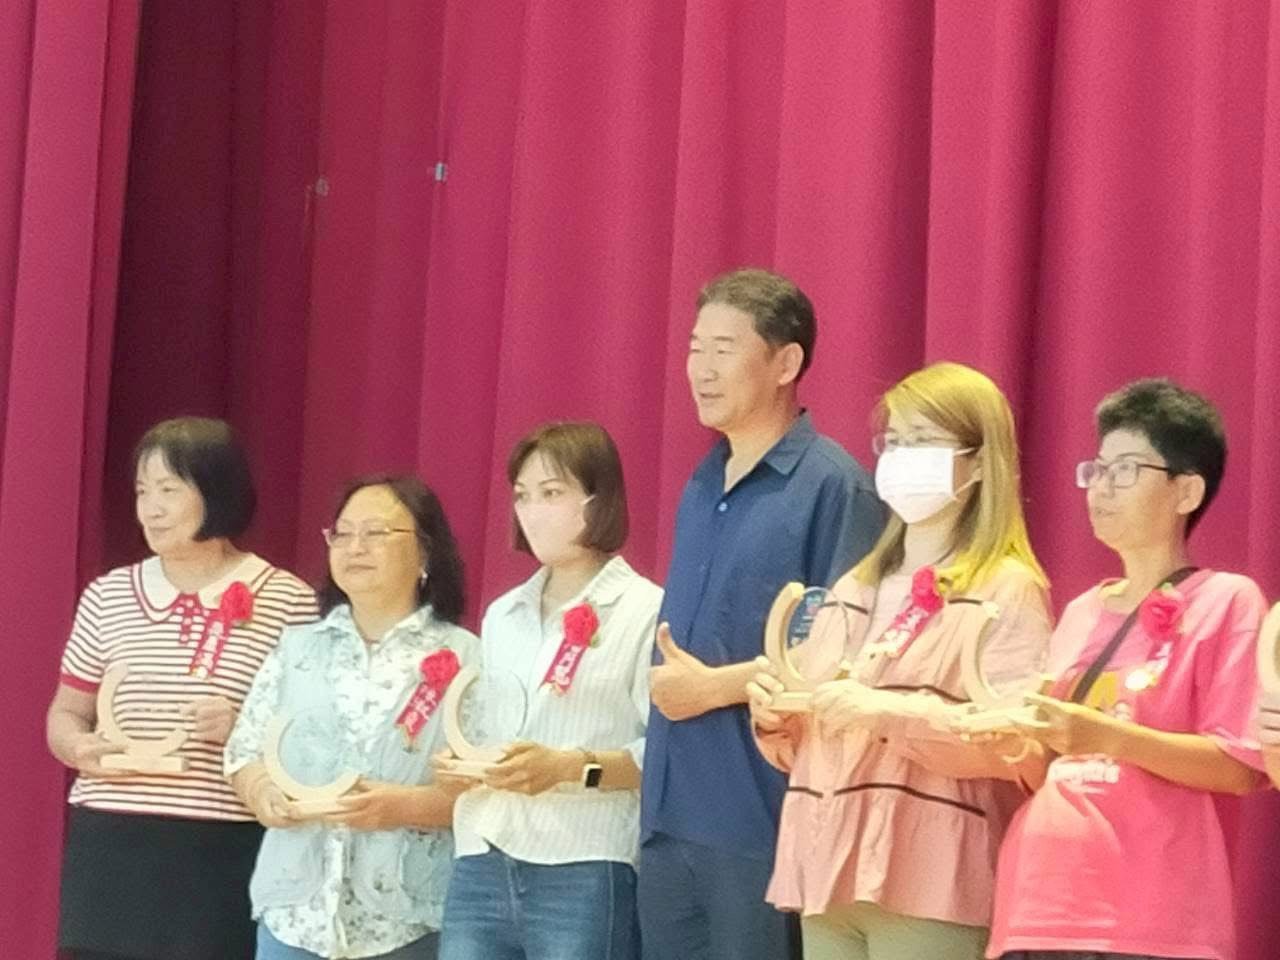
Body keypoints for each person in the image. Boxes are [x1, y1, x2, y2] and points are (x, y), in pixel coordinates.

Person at [748, 362, 1052, 960]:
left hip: (932, 872)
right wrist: (776, 717)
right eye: (894, 440)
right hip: (827, 863)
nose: (901, 456)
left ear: (978, 464)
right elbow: (809, 734)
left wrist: (885, 713)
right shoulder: (854, 586)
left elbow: (1019, 746)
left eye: (924, 440)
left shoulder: (1006, 587)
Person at [637, 268, 885, 960]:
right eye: (695, 348)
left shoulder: (836, 486)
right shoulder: (701, 480)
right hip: (667, 818)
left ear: (786, 363)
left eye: (724, 349)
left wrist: (713, 687)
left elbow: (845, 658)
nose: (701, 369)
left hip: (762, 822)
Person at [986, 378, 1267, 960]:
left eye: (1125, 470)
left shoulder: (1226, 599)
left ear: (1186, 491)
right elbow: (1046, 766)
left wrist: (1108, 736)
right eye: (1096, 470)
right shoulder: (1081, 610)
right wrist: (1014, 741)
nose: (1101, 487)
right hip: (1037, 905)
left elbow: (1239, 765)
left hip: (1149, 915)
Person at [47, 417, 317, 960]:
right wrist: (77, 746)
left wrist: (243, 728)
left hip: (219, 843)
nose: (151, 508)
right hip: (110, 841)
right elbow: (65, 713)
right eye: (142, 491)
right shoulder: (107, 595)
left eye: (168, 490)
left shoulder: (287, 599)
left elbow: (312, 738)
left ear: (216, 491)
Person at [226, 475, 478, 960]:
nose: (355, 547)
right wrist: (263, 794)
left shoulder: (466, 657)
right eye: (342, 533)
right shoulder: (297, 648)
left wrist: (403, 807)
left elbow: (484, 792)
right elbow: (244, 752)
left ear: (425, 553)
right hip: (294, 919)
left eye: (376, 532)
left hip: (405, 923)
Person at [438, 421, 661, 960]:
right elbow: (491, 732)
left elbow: (661, 756)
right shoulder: (503, 614)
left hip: (583, 863)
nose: (532, 511)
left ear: (598, 500)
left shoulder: (645, 608)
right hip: (483, 853)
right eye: (522, 496)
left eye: (552, 493)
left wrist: (567, 768)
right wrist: (464, 763)